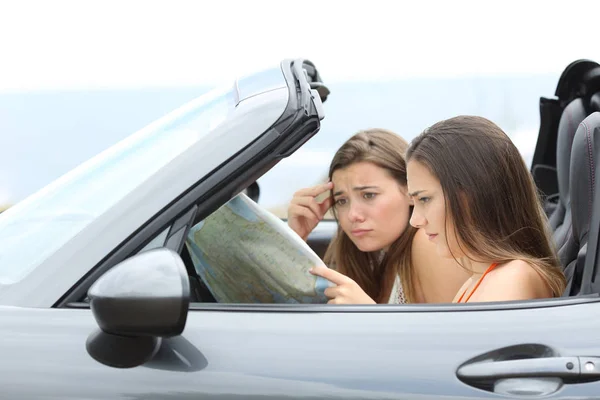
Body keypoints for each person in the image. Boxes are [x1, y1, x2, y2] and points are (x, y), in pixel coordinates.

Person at [287, 128, 470, 304]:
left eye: (369, 195)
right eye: (342, 201)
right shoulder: (377, 257)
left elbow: (456, 334)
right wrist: (294, 238)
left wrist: (370, 314)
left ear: (410, 191)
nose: (353, 215)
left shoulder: (427, 244)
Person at [405, 115, 566, 303]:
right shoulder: (479, 280)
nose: (415, 220)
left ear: (473, 194)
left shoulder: (512, 278)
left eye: (424, 199)